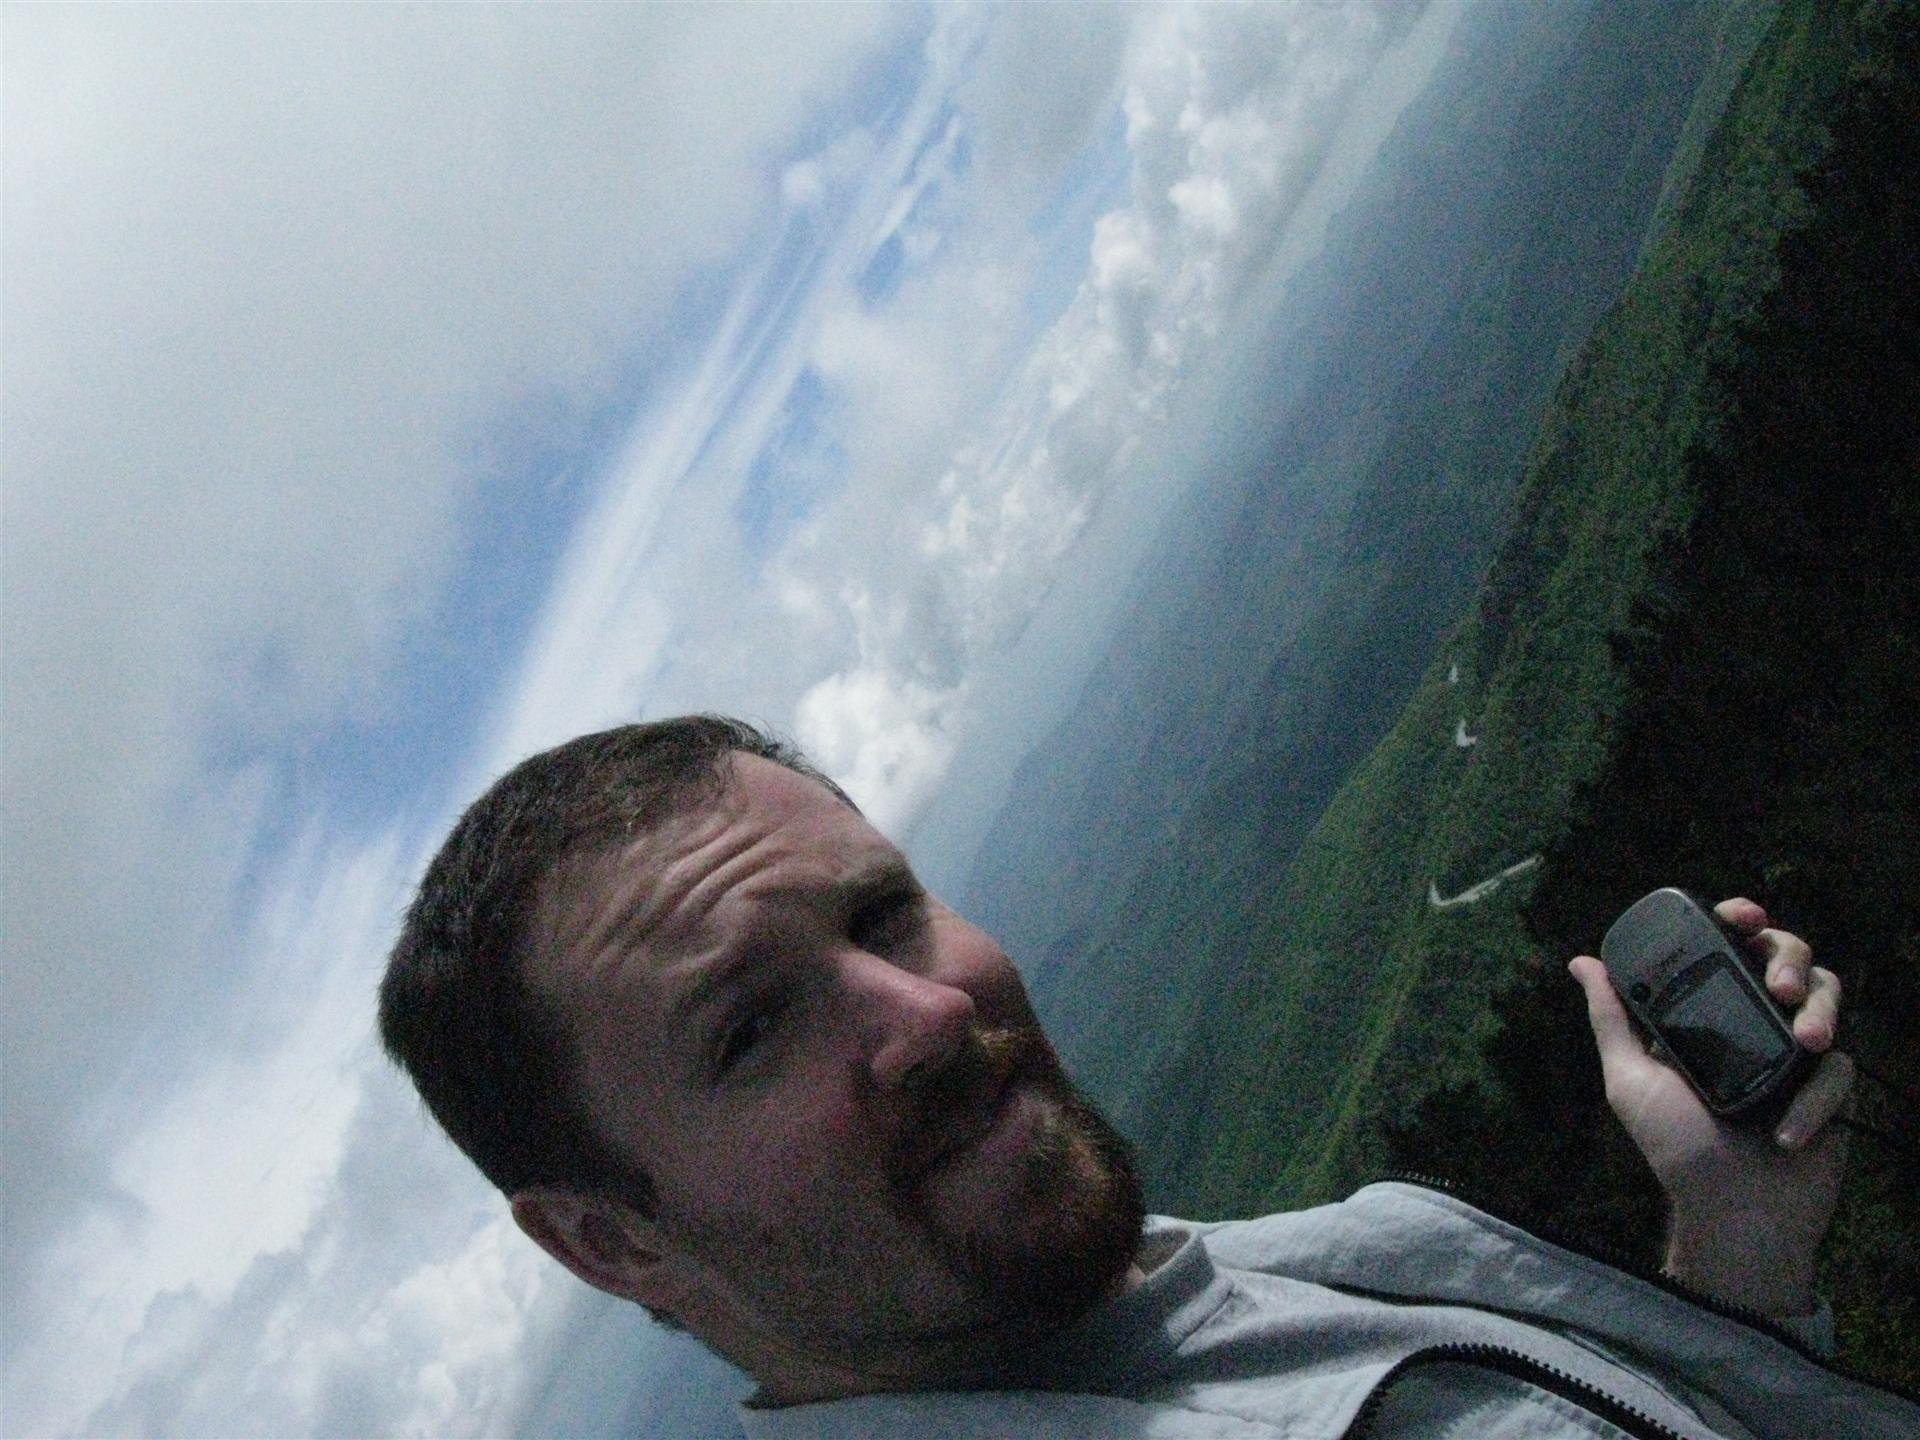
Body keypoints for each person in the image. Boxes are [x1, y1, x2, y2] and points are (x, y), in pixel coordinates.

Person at [379, 716, 1917, 1437]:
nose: (927, 1011)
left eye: (882, 913)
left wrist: (1736, 1266)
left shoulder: (1241, 1279)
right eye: (747, 1031)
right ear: (613, 1240)